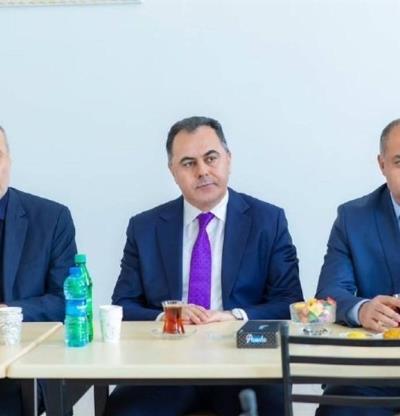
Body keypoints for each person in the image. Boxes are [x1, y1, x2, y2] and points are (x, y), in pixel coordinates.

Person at [106, 116, 303, 416]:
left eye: (211, 158)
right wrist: (168, 316)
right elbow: (123, 305)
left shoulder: (268, 221)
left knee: (272, 407)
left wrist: (232, 316)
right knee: (123, 410)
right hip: (166, 368)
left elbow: (289, 302)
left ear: (228, 159)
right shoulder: (145, 227)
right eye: (188, 163)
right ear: (173, 171)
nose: (202, 171)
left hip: (243, 365)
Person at [316, 118, 400, 416]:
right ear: (382, 165)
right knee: (339, 408)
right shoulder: (353, 218)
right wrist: (362, 310)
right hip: (371, 371)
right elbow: (329, 293)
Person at [0, 126, 77, 416]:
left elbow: (65, 300)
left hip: (22, 365)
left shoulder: (51, 218)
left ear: (9, 160)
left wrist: (6, 312)